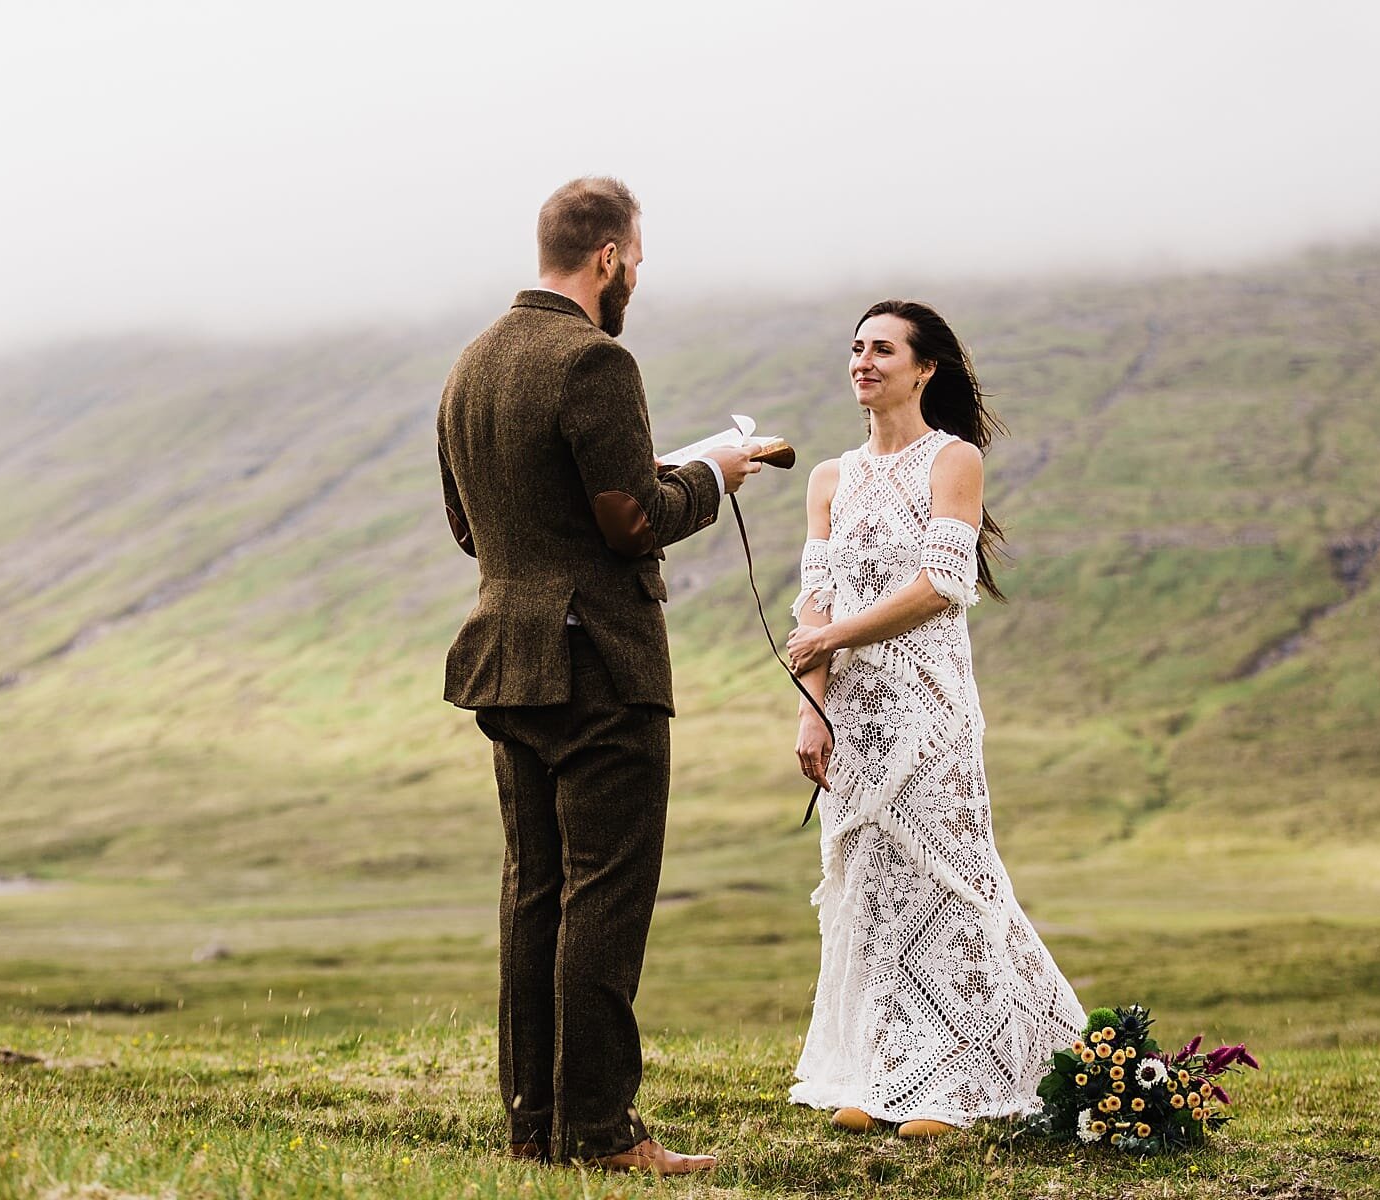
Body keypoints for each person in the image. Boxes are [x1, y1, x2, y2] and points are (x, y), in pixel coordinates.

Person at [437, 177, 761, 1175]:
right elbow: (630, 521)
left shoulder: (471, 366)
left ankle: (535, 1125)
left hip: (505, 660)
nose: (636, 282)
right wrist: (716, 475)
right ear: (610, 257)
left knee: (534, 894)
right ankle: (604, 1133)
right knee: (605, 898)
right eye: (638, 263)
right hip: (599, 666)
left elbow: (468, 528)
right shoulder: (595, 360)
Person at [783, 300, 1084, 1136]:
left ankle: (965, 1083)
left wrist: (834, 634)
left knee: (950, 879)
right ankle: (883, 1076)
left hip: (931, 710)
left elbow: (941, 583)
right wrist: (814, 710)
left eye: (883, 349)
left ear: (925, 370)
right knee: (871, 889)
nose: (864, 362)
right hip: (854, 713)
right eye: (856, 349)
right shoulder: (830, 479)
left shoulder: (952, 460)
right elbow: (817, 597)